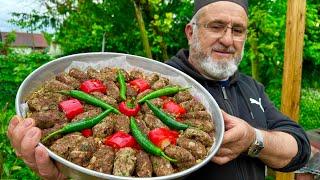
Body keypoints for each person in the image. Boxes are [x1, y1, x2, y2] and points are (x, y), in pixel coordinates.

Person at [7, 0, 310, 179]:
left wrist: (253, 139)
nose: (228, 40)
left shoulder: (251, 88)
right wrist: (71, 173)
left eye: (238, 30)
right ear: (191, 31)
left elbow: (298, 150)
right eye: (216, 26)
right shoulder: (164, 82)